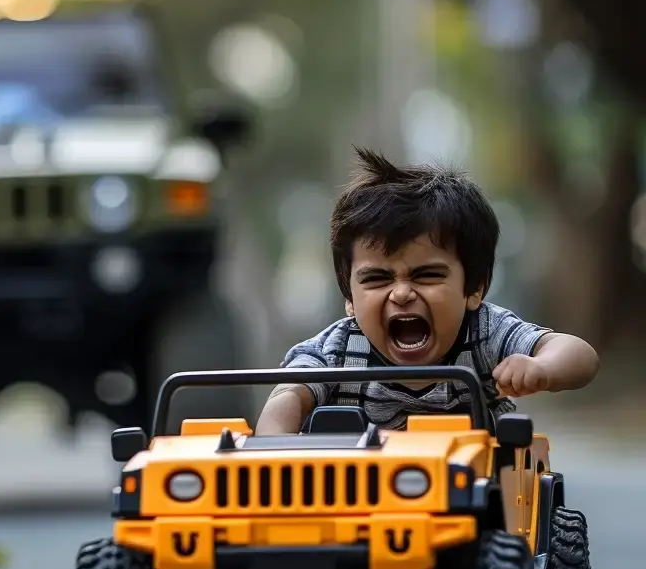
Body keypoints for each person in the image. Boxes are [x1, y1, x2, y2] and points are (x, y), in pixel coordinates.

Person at [255, 148, 600, 434]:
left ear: (474, 288)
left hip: (478, 498)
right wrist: (274, 443)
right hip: (362, 499)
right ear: (349, 298)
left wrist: (541, 367)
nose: (401, 293)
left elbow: (580, 356)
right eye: (377, 279)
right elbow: (289, 393)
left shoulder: (485, 333)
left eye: (426, 276)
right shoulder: (339, 350)